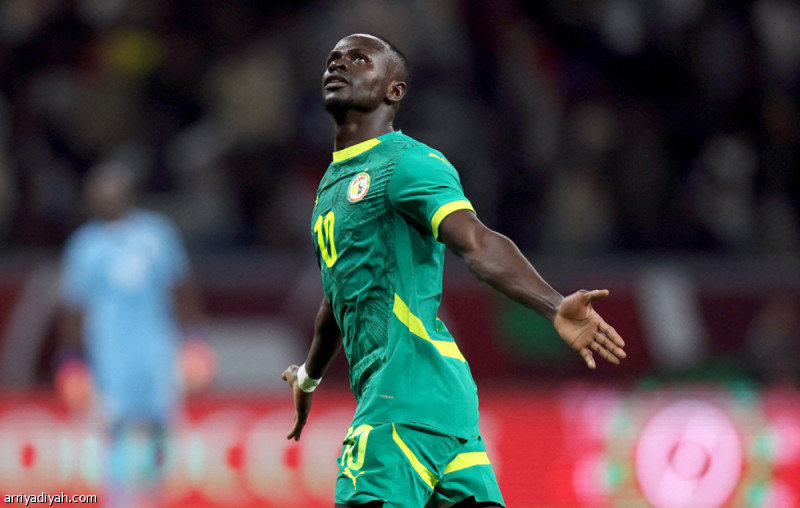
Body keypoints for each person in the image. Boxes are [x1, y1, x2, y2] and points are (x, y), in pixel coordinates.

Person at [281, 33, 627, 508]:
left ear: (395, 90)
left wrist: (552, 306)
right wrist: (308, 378)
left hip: (402, 398)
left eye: (359, 59)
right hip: (435, 405)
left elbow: (478, 242)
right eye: (333, 58)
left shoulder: (407, 163)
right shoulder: (330, 186)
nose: (338, 64)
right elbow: (338, 295)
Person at [56, 161, 209, 508]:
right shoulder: (85, 245)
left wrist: (195, 341)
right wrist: (71, 360)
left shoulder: (157, 234)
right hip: (109, 353)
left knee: (161, 422)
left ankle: (155, 494)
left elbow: (181, 289)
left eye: (113, 191)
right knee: (113, 425)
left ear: (129, 193)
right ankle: (118, 499)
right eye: (99, 193)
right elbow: (73, 309)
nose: (107, 198)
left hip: (157, 347)